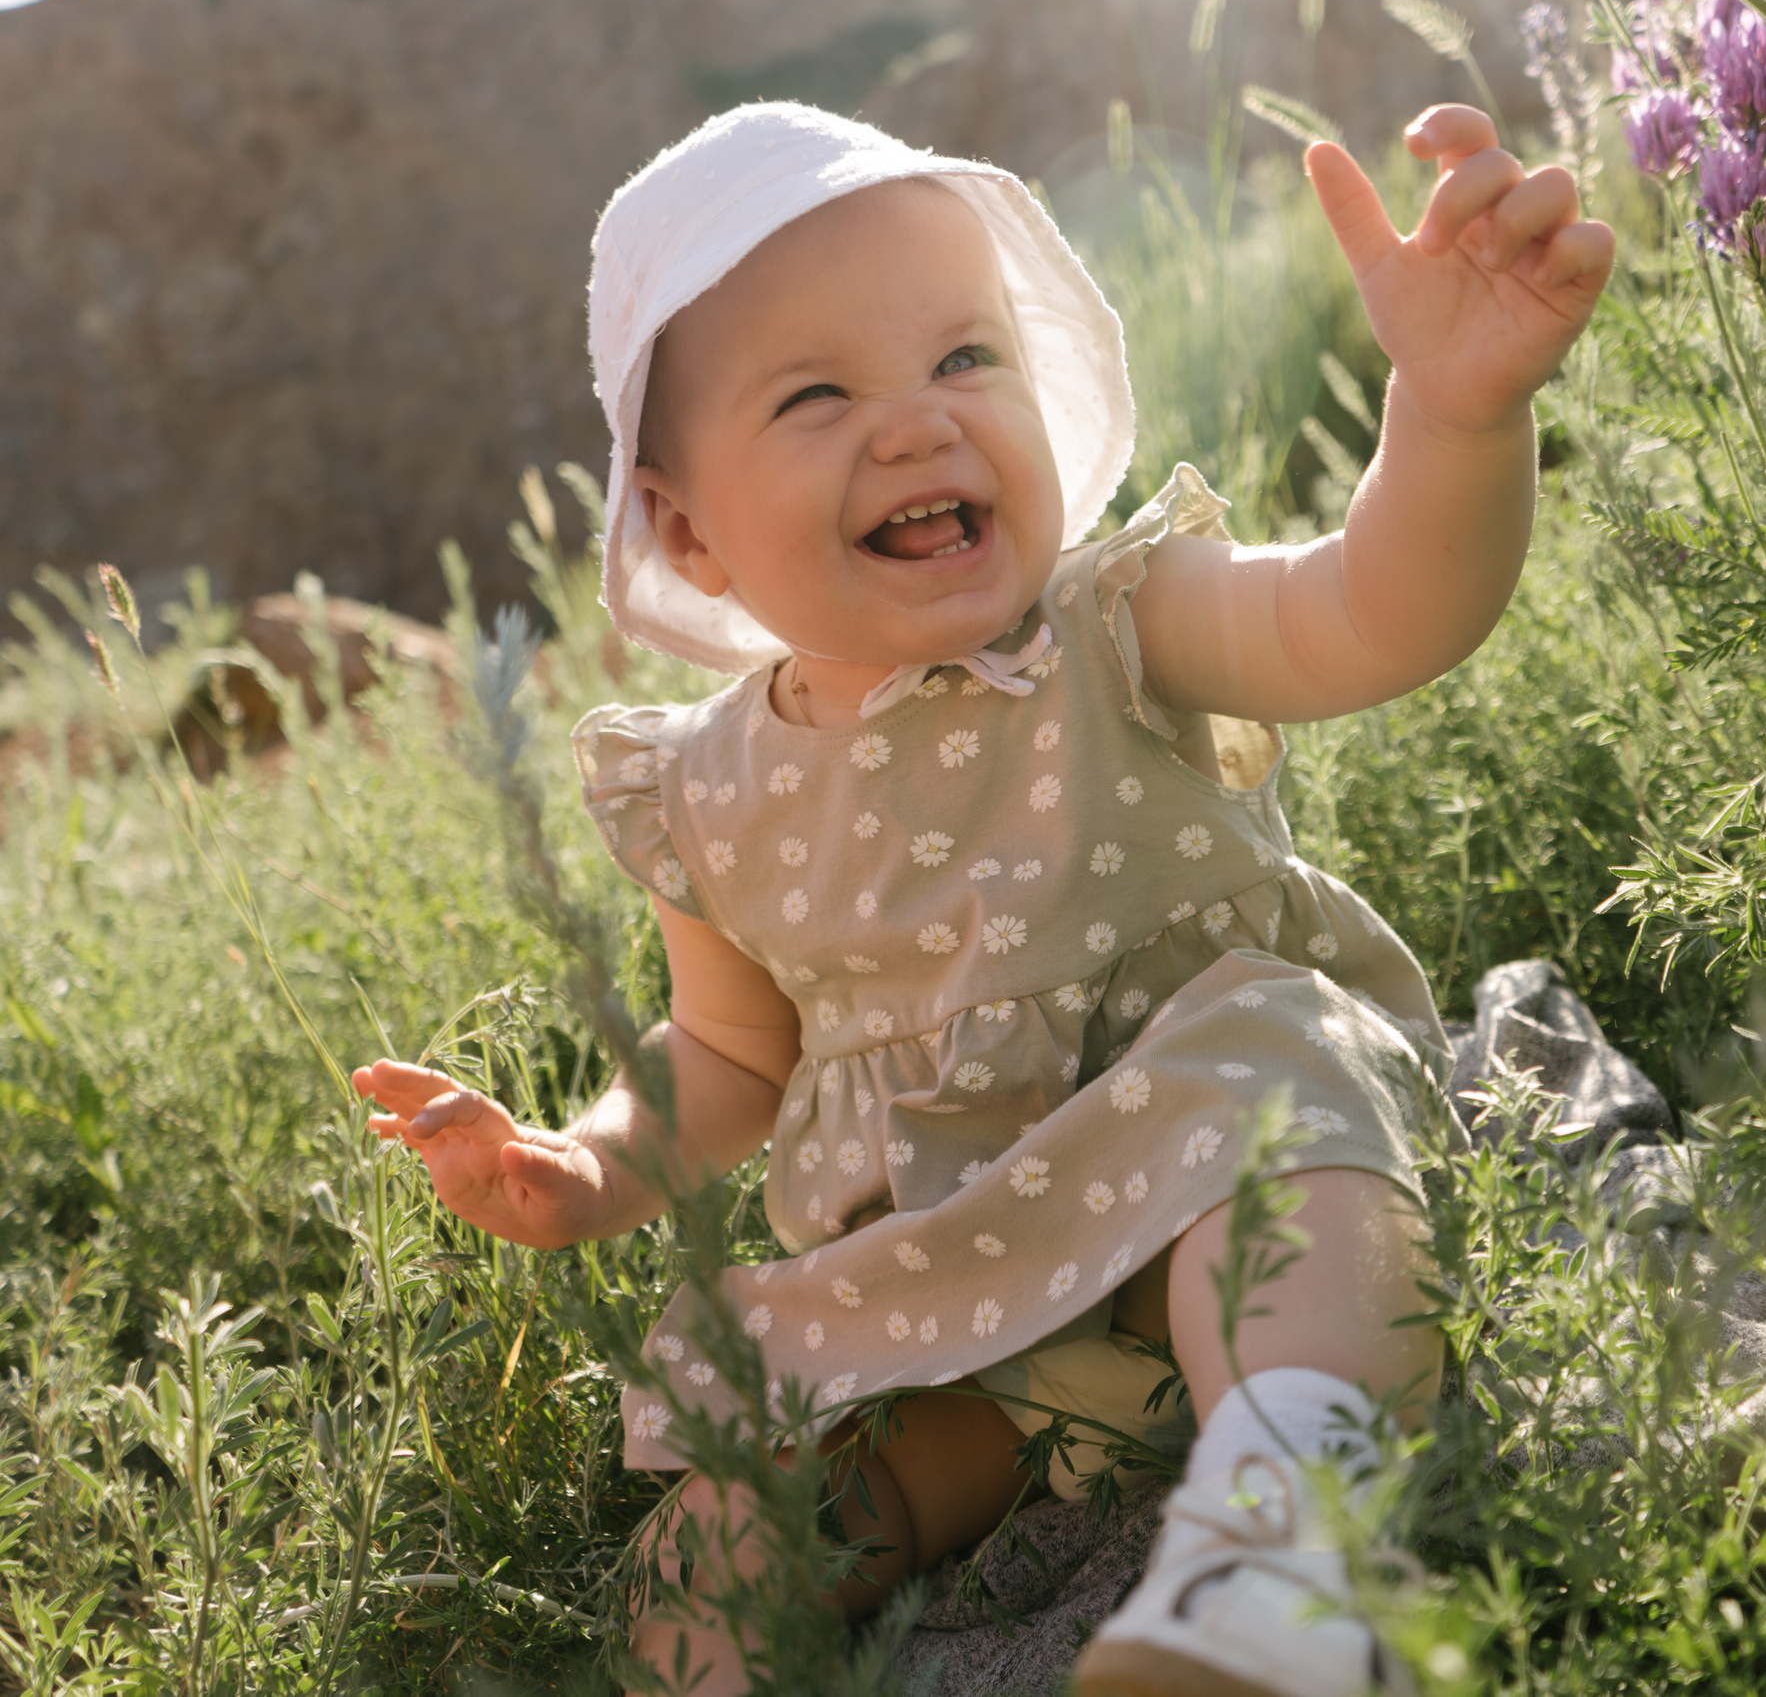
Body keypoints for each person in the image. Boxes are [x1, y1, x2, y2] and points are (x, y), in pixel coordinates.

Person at [352, 98, 1612, 1697]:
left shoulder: (1118, 622)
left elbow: (1377, 609)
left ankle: (1287, 1549)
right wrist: (585, 1163)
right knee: (709, 1567)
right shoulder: (709, 791)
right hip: (977, 1307)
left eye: (966, 357)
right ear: (686, 528)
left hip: (1232, 1191)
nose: (917, 427)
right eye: (818, 395)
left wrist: (1453, 412)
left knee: (1281, 1097)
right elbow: (729, 1055)